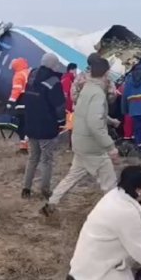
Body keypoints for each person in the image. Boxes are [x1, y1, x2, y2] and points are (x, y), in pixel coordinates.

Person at [43, 56, 119, 216]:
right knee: (110, 183)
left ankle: (51, 203)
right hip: (92, 147)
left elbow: (85, 113)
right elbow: (94, 122)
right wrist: (110, 147)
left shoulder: (87, 88)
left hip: (79, 141)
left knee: (73, 175)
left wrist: (111, 121)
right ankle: (113, 215)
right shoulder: (98, 93)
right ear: (106, 73)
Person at [21, 53, 67, 199]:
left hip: (31, 124)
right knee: (46, 160)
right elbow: (59, 106)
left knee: (33, 157)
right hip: (47, 126)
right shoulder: (54, 81)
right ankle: (45, 190)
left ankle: (25, 189)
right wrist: (61, 122)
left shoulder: (31, 76)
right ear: (53, 65)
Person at [8, 57, 31, 153]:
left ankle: (24, 145)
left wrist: (10, 102)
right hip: (32, 101)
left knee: (19, 124)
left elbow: (16, 90)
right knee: (28, 123)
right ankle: (26, 146)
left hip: (22, 101)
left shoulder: (18, 75)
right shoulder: (29, 72)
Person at [61, 62, 78, 149]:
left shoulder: (65, 78)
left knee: (72, 126)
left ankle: (72, 145)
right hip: (70, 107)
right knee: (71, 126)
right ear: (72, 69)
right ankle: (71, 146)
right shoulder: (68, 79)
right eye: (75, 70)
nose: (76, 72)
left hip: (69, 107)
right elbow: (65, 93)